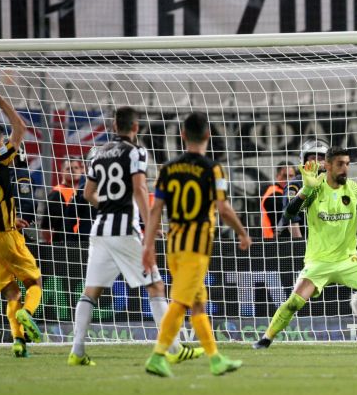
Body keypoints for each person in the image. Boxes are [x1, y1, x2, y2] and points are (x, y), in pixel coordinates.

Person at [68, 107, 203, 366]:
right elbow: (140, 188)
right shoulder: (136, 151)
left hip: (100, 229)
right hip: (124, 231)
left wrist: (107, 205)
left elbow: (87, 193)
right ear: (135, 127)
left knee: (91, 292)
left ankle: (77, 352)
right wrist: (150, 223)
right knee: (156, 286)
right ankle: (174, 348)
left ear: (113, 126)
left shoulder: (98, 153)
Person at [254, 146, 357, 350]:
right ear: (328, 165)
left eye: (347, 164)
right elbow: (288, 214)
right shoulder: (314, 187)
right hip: (319, 262)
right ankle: (265, 339)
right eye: (340, 164)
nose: (345, 168)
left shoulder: (354, 189)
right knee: (293, 303)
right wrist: (305, 191)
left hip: (348, 260)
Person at [143, 111, 252, 377]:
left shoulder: (167, 169)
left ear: (182, 135)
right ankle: (157, 356)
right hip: (196, 246)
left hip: (173, 245)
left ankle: (215, 359)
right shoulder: (213, 169)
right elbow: (223, 208)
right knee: (181, 302)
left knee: (198, 304)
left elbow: (156, 209)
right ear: (208, 135)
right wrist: (242, 232)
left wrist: (148, 245)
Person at [0, 89, 43, 357]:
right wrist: (0, 102)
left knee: (11, 292)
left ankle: (18, 343)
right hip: (5, 236)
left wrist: (10, 217)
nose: (3, 144)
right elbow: (20, 128)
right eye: (1, 141)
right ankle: (27, 314)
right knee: (34, 283)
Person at [280, 139, 329, 238]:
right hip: (297, 239)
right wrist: (299, 244)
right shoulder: (295, 184)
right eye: (313, 158)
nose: (317, 162)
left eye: (321, 158)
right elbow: (290, 218)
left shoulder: (330, 184)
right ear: (304, 160)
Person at [40, 159, 83, 244]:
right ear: (62, 172)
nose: (73, 170)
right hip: (63, 244)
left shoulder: (81, 192)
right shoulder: (56, 194)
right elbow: (46, 228)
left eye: (76, 168)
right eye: (69, 168)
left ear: (81, 170)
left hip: (80, 242)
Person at [260, 161, 295, 238]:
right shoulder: (274, 195)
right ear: (277, 176)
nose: (288, 179)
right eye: (285, 176)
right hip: (274, 241)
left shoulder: (283, 192)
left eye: (291, 176)